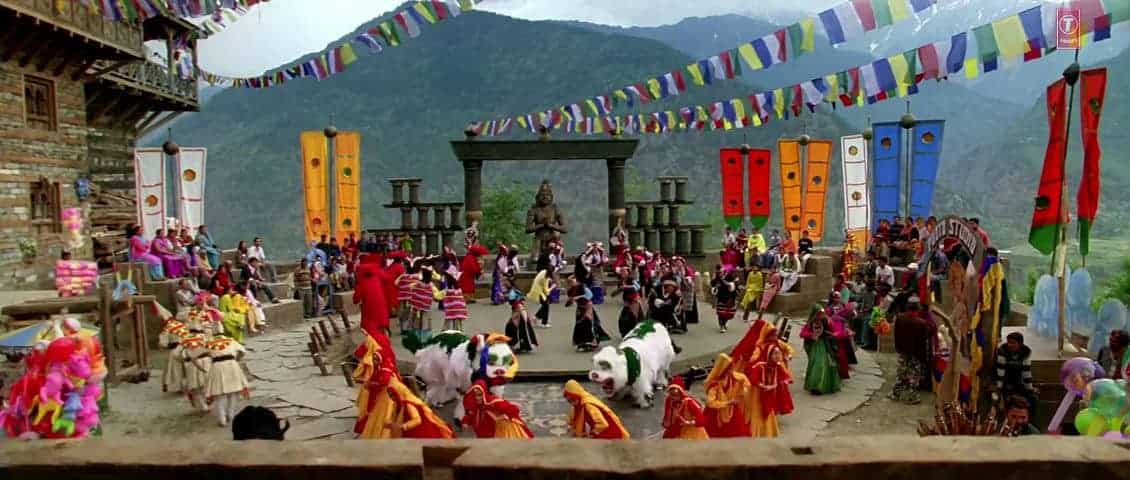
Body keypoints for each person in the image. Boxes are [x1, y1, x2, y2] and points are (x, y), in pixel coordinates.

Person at [352, 333, 400, 439]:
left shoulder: (385, 369)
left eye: (376, 359)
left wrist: (368, 383)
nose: (374, 361)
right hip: (382, 391)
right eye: (374, 359)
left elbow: (383, 382)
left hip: (386, 395)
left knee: (382, 414)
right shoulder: (382, 364)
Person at [461, 380, 534, 439]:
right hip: (485, 436)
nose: (477, 398)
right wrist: (466, 421)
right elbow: (471, 415)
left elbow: (514, 409)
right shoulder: (476, 406)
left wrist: (503, 417)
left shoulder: (493, 402)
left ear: (484, 393)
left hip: (501, 433)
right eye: (475, 395)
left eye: (479, 395)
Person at [748, 343, 794, 436]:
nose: (778, 356)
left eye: (779, 353)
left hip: (769, 393)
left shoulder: (778, 366)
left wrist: (785, 381)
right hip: (757, 394)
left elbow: (787, 377)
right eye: (775, 354)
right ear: (769, 355)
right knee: (759, 412)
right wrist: (762, 386)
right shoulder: (760, 366)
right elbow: (753, 379)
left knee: (769, 410)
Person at [891, 300, 932, 404]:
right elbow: (923, 342)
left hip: (902, 351)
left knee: (901, 373)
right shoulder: (921, 323)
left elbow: (896, 335)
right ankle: (911, 396)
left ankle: (895, 393)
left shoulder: (899, 318)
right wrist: (924, 357)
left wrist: (897, 348)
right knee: (913, 375)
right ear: (916, 310)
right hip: (915, 353)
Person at [205, 335, 250, 427]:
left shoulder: (209, 343)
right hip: (231, 365)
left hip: (217, 366)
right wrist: (237, 359)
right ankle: (230, 414)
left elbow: (202, 354)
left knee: (219, 394)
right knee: (233, 392)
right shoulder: (231, 341)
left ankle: (222, 420)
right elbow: (242, 351)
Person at [703, 353, 751, 437]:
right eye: (730, 368)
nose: (732, 369)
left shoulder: (732, 377)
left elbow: (744, 379)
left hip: (730, 409)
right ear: (724, 369)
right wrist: (728, 403)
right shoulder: (715, 385)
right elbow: (710, 403)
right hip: (715, 414)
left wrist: (744, 389)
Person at [385, 380, 455, 439]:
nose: (392, 397)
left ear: (399, 393)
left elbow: (417, 420)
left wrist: (404, 426)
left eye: (393, 395)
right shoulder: (398, 404)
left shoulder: (408, 404)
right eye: (390, 395)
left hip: (418, 433)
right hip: (409, 434)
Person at [562, 379, 629, 439]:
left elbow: (602, 424)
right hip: (603, 433)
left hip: (611, 433)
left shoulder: (589, 405)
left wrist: (592, 434)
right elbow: (572, 419)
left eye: (572, 399)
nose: (572, 403)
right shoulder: (578, 403)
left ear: (577, 396)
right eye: (569, 401)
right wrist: (570, 427)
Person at [993, 331, 1037, 415]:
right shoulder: (1002, 351)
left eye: (1013, 343)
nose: (1010, 345)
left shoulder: (1025, 353)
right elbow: (1000, 372)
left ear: (1020, 344)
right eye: (1009, 342)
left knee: (1032, 399)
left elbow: (1026, 373)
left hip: (1018, 382)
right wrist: (999, 388)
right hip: (1005, 382)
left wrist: (1030, 390)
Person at [800, 309, 841, 395]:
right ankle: (815, 386)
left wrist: (835, 334)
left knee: (824, 365)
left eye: (822, 313)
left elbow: (836, 330)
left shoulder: (827, 321)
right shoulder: (810, 323)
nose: (821, 315)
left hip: (825, 346)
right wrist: (811, 335)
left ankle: (821, 386)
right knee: (816, 365)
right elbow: (802, 334)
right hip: (814, 347)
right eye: (819, 313)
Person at [566, 275, 608, 352]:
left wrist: (578, 298)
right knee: (579, 326)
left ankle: (591, 343)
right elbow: (570, 302)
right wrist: (571, 301)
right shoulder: (570, 291)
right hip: (579, 309)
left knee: (588, 324)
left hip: (587, 307)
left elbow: (590, 296)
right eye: (570, 282)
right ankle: (581, 343)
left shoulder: (583, 288)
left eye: (573, 281)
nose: (572, 283)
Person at [179, 333, 211, 413]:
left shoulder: (185, 350)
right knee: (204, 386)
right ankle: (205, 404)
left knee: (196, 388)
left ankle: (204, 406)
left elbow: (183, 360)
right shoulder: (204, 347)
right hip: (204, 365)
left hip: (192, 367)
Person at [505, 282, 539, 353]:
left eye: (505, 281)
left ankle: (516, 345)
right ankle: (522, 346)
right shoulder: (514, 291)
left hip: (519, 311)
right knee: (518, 328)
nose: (504, 283)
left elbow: (517, 301)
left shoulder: (513, 292)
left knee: (512, 327)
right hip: (519, 310)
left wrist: (518, 314)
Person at [711, 267, 738, 334]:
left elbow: (734, 286)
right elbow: (713, 287)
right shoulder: (716, 279)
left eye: (721, 272)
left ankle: (725, 323)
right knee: (720, 314)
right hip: (721, 298)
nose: (720, 273)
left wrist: (728, 284)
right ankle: (722, 326)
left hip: (729, 298)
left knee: (728, 314)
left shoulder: (729, 277)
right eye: (718, 272)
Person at [529, 260, 553, 328]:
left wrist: (549, 280)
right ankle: (543, 322)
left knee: (545, 305)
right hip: (539, 292)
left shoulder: (543, 271)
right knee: (546, 305)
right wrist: (552, 287)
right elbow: (546, 291)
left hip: (535, 290)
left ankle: (537, 318)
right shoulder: (545, 278)